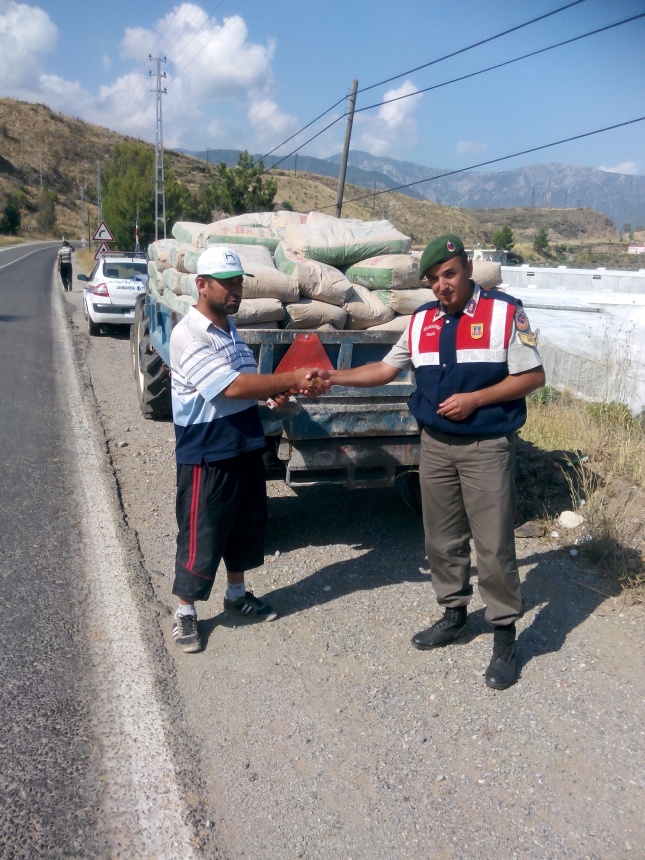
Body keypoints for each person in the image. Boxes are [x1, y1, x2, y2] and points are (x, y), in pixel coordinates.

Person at [318, 234, 545, 689]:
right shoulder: (421, 320)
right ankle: (455, 614)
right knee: (441, 537)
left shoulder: (505, 312)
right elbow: (384, 370)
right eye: (433, 279)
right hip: (435, 445)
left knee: (494, 543)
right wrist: (333, 375)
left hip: (486, 445)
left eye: (450, 274)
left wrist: (476, 399)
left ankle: (504, 634)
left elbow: (533, 375)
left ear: (466, 268)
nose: (442, 285)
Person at [169, 246, 328, 653]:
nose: (236, 291)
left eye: (239, 283)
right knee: (202, 534)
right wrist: (287, 377)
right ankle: (185, 612)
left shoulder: (231, 332)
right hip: (207, 452)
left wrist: (274, 395)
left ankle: (236, 595)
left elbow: (248, 383)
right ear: (201, 285)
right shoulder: (188, 335)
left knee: (244, 528)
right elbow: (231, 387)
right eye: (227, 284)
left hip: (243, 443)